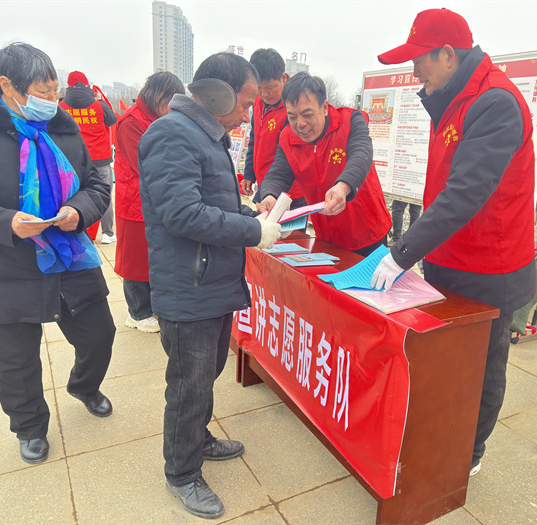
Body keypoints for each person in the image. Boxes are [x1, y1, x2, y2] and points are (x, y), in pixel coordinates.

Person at [373, 8, 536, 476]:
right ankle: (440, 430)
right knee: (445, 357)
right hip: (449, 258)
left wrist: (400, 252)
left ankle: (470, 452)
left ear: (448, 54)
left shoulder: (495, 102)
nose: (414, 71)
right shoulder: (454, 94)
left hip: (490, 266)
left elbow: (465, 193)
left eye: (419, 60)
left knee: (482, 366)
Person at [138, 52, 280, 520]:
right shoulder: (171, 134)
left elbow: (211, 200)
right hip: (189, 288)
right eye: (245, 103)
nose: (248, 114)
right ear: (217, 94)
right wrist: (251, 233)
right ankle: (181, 473)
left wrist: (247, 215)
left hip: (212, 282)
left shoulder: (205, 135)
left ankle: (198, 438)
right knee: (188, 385)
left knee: (208, 372)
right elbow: (181, 214)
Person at [0, 43, 116, 465]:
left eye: (55, 91)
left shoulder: (63, 127)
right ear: (8, 86)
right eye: (43, 92)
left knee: (99, 333)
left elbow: (95, 183)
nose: (52, 101)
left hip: (68, 255)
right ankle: (29, 427)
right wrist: (6, 221)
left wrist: (77, 211)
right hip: (5, 263)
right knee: (15, 359)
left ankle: (84, 386)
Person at [258, 72, 391, 256]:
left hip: (369, 234)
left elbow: (361, 154)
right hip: (327, 238)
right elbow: (278, 174)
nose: (300, 124)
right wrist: (269, 195)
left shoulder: (350, 121)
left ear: (325, 108)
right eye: (292, 117)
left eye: (307, 114)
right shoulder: (288, 137)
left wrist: (343, 186)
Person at [114, 71, 185, 334]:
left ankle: (151, 307)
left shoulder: (156, 118)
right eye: (169, 101)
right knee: (134, 261)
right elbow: (143, 164)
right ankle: (137, 312)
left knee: (151, 258)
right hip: (134, 201)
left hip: (154, 200)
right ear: (157, 96)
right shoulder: (131, 122)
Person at [242, 48, 305, 208]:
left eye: (269, 88)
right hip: (265, 183)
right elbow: (254, 136)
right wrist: (249, 173)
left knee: (290, 233)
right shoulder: (258, 100)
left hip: (289, 191)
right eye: (259, 88)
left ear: (283, 78)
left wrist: (261, 193)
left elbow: (285, 158)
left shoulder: (294, 107)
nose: (264, 94)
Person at [60, 70, 118, 244]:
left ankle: (82, 231)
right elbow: (112, 120)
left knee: (77, 195)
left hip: (74, 160)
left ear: (69, 86)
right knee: (104, 194)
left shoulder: (61, 107)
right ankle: (107, 233)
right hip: (100, 159)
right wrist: (100, 100)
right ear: (86, 85)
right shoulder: (98, 105)